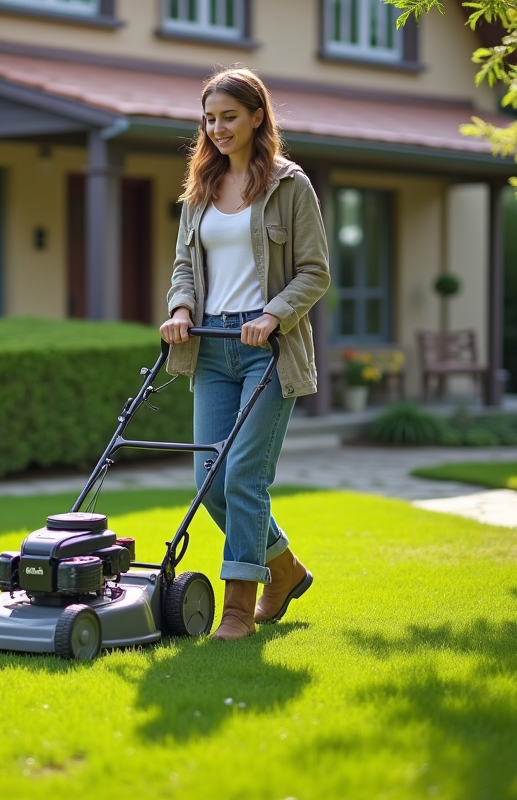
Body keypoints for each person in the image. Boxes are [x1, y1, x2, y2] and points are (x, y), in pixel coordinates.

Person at [160, 66, 330, 641]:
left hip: (268, 350)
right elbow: (184, 267)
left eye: (229, 117)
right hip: (210, 348)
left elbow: (315, 271)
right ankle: (284, 570)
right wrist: (181, 309)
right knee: (210, 479)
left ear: (258, 117)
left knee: (244, 477)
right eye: (209, 119)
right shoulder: (201, 188)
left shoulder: (290, 185)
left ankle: (238, 610)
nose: (218, 128)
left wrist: (273, 314)